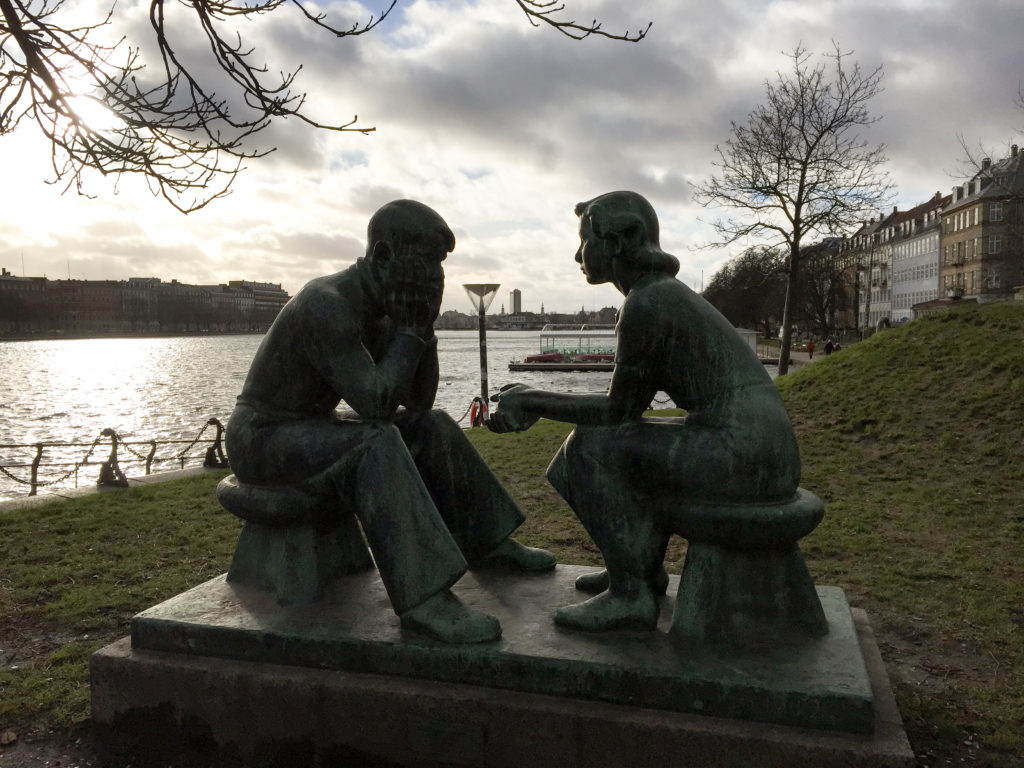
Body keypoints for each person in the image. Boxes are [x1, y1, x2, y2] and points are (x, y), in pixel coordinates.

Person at [226, 200, 554, 644]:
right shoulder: (326, 304)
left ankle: (488, 543)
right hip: (260, 438)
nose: (435, 277)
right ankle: (424, 597)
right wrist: (411, 332)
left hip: (309, 427)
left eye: (438, 266)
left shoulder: (383, 308)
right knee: (375, 441)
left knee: (434, 425)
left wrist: (425, 330)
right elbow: (375, 406)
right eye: (425, 263)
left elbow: (419, 401)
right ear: (382, 257)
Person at [488, 191, 801, 632]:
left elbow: (617, 411)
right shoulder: (660, 295)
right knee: (589, 451)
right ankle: (639, 567)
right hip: (758, 450)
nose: (578, 254)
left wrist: (531, 399)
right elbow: (628, 410)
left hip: (744, 456)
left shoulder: (647, 304)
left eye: (585, 241)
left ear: (619, 242)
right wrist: (534, 396)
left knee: (588, 450)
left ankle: (631, 592)